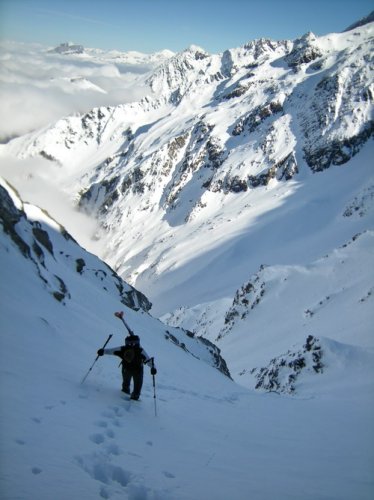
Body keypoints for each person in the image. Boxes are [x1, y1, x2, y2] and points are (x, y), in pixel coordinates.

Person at [97, 335, 156, 400]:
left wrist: (153, 368)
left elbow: (148, 360)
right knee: (126, 384)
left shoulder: (137, 350)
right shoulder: (130, 349)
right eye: (129, 343)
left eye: (134, 343)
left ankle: (134, 396)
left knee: (136, 387)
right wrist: (103, 351)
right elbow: (111, 351)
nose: (132, 345)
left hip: (134, 371)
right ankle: (127, 393)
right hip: (131, 370)